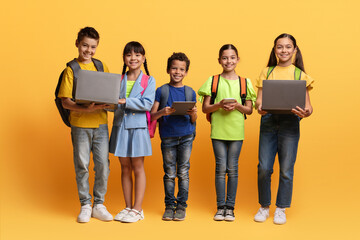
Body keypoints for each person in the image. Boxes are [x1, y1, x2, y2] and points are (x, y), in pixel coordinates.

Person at [254, 33, 314, 225]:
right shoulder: (267, 72)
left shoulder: (300, 75)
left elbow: (309, 107)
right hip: (269, 122)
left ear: (295, 50)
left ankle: (281, 208)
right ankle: (264, 206)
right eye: (280, 47)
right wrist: (260, 109)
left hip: (290, 124)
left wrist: (306, 112)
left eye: (288, 47)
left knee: (286, 169)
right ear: (274, 49)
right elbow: (259, 102)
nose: (284, 50)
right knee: (264, 168)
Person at [57, 27, 113, 223]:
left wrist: (112, 102)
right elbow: (65, 101)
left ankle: (99, 204)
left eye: (93, 46)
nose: (89, 50)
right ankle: (85, 205)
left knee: (103, 165)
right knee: (82, 165)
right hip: (80, 125)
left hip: (101, 124)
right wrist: (86, 109)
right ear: (77, 44)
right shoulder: (70, 70)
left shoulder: (101, 66)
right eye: (85, 46)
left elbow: (108, 92)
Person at [198, 44, 256, 221]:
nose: (228, 61)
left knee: (233, 169)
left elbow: (249, 110)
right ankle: (220, 207)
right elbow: (205, 108)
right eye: (225, 58)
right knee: (220, 168)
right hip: (218, 130)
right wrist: (220, 105)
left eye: (232, 57)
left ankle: (230, 207)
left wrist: (237, 105)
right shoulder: (213, 80)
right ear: (219, 60)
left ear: (238, 60)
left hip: (236, 131)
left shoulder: (245, 82)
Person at [109, 41, 155, 223]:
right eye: (129, 55)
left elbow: (147, 104)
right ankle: (128, 207)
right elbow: (113, 105)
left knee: (137, 167)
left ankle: (138, 209)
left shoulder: (149, 80)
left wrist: (124, 101)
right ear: (124, 58)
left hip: (138, 129)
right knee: (124, 168)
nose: (133, 58)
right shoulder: (118, 79)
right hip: (120, 127)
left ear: (143, 58)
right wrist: (105, 102)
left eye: (137, 55)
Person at [150, 52, 197, 221]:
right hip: (168, 137)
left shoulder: (190, 92)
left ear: (186, 72)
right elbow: (152, 115)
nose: (178, 72)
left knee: (183, 172)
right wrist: (164, 111)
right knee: (170, 173)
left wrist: (194, 114)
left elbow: (193, 120)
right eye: (174, 68)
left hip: (186, 136)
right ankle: (169, 206)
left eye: (182, 69)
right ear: (168, 69)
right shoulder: (161, 91)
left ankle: (182, 206)